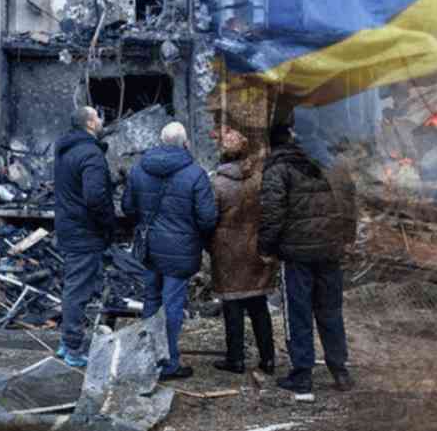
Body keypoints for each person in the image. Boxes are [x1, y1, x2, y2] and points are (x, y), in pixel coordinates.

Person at [259, 119, 357, 394]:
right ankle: (340, 371)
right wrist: (347, 239)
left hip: (296, 254)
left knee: (298, 313)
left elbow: (271, 212)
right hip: (330, 251)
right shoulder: (336, 165)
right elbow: (350, 204)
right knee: (330, 311)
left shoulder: (280, 167)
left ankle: (302, 373)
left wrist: (266, 248)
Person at [122, 122, 217, 381]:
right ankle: (169, 363)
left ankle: (150, 357)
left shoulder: (139, 169)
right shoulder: (196, 174)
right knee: (172, 304)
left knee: (151, 301)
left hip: (150, 247)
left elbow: (128, 207)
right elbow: (208, 218)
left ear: (160, 141)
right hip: (181, 249)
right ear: (185, 143)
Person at [208, 126, 276, 375]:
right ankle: (268, 358)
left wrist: (211, 244)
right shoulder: (260, 178)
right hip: (255, 247)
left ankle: (235, 359)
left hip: (227, 252)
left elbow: (208, 219)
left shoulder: (216, 184)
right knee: (259, 304)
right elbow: (271, 212)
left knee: (232, 305)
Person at [53, 106, 117, 367]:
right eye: (98, 116)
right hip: (84, 231)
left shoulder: (65, 151)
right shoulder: (90, 153)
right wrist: (107, 225)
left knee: (73, 285)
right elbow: (95, 198)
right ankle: (73, 347)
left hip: (69, 227)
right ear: (90, 123)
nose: (102, 120)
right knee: (78, 289)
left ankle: (66, 342)